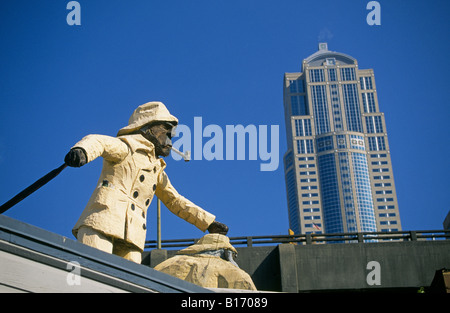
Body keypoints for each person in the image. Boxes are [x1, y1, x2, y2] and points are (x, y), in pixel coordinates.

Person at [64, 101, 228, 263]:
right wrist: (82, 151)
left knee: (129, 282)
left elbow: (175, 200)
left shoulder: (157, 169)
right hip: (102, 221)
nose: (170, 142)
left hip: (133, 235)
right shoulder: (127, 147)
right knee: (94, 271)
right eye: (168, 134)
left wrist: (208, 222)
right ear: (151, 128)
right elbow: (99, 141)